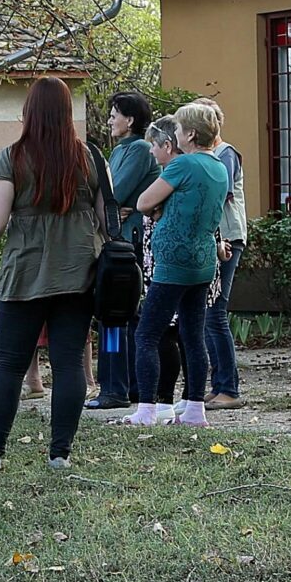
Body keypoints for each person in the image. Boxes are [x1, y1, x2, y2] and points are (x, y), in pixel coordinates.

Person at [0, 77, 105, 470]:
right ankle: (60, 455)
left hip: (24, 272)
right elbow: (104, 220)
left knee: (9, 364)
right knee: (67, 364)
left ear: (29, 112)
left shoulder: (11, 158)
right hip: (78, 271)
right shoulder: (91, 158)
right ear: (66, 113)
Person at [128, 107, 229, 427]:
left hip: (173, 262)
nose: (177, 132)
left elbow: (144, 202)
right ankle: (196, 409)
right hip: (202, 262)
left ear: (191, 135)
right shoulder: (219, 166)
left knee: (147, 333)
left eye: (181, 127)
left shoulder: (184, 163)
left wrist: (158, 214)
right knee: (193, 334)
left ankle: (146, 409)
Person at [89, 90, 158, 410]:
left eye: (114, 114)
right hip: (118, 243)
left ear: (130, 120)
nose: (110, 120)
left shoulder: (139, 149)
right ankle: (126, 384)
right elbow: (111, 200)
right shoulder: (120, 150)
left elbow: (111, 193)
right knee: (122, 317)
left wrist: (117, 206)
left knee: (115, 316)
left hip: (126, 249)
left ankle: (114, 388)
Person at [192, 99, 249, 409]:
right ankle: (219, 386)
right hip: (214, 239)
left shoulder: (225, 155)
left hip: (227, 238)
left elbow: (216, 191)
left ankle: (229, 388)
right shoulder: (211, 156)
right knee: (207, 315)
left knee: (216, 313)